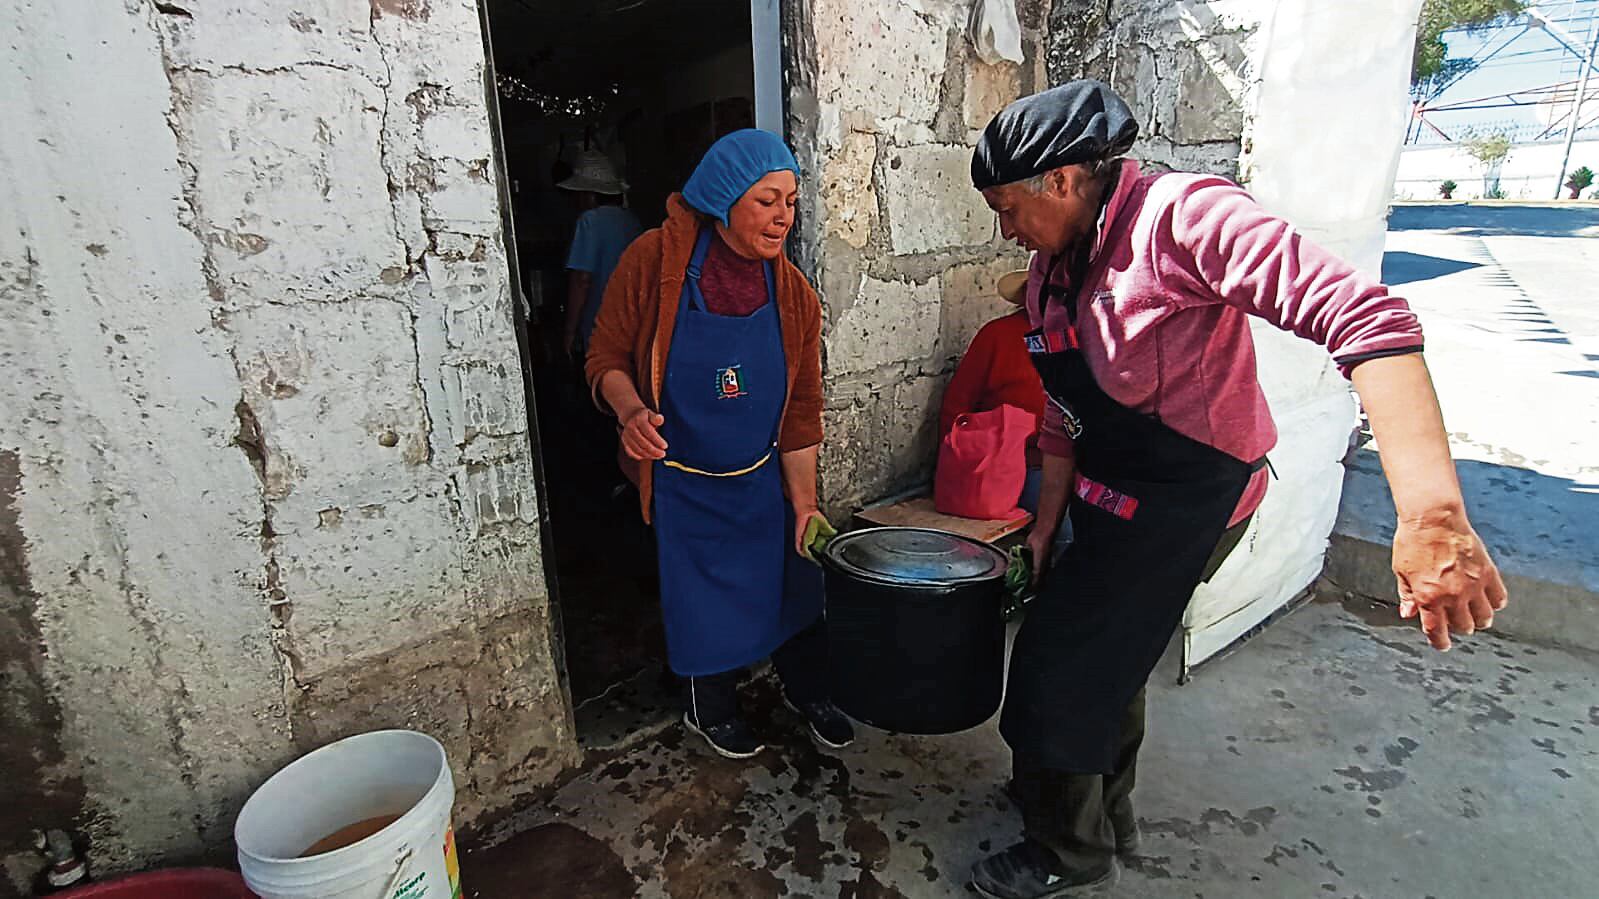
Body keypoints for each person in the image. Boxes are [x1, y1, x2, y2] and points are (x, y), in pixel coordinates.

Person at [964, 81, 1509, 898]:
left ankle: (1067, 852)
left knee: (1059, 671)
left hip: (1189, 501)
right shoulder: (1050, 273)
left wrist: (1431, 515)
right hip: (1106, 496)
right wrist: (1044, 524)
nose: (1006, 231)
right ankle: (1095, 811)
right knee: (1105, 656)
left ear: (1063, 180)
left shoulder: (1182, 219)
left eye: (1008, 209)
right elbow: (1062, 414)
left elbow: (1365, 320)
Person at [584, 129, 854, 759]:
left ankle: (809, 690)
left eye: (791, 201)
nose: (784, 216)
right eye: (767, 201)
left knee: (794, 587)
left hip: (761, 478)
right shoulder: (653, 262)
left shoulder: (794, 296)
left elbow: (801, 412)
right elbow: (605, 358)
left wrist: (805, 504)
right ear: (725, 199)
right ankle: (711, 708)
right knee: (702, 605)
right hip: (682, 481)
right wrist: (629, 411)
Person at [938, 268, 1055, 517]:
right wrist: (957, 466)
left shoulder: (1084, 337)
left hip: (1065, 463)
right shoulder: (998, 334)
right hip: (1007, 465)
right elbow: (956, 405)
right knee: (1067, 522)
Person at [560, 150, 643, 362]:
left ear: (590, 194)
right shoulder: (632, 220)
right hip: (634, 324)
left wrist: (569, 331)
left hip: (600, 326)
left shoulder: (589, 221)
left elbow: (582, 280)